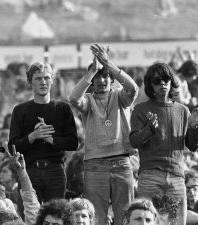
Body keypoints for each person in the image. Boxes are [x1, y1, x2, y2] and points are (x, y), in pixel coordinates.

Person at [129, 62, 198, 225]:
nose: (162, 84)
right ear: (150, 84)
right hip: (150, 174)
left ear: (172, 81)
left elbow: (192, 146)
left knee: (178, 222)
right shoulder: (140, 109)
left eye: (166, 79)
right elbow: (134, 141)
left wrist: (193, 127)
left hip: (177, 175)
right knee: (146, 221)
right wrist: (148, 129)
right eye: (157, 81)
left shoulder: (182, 110)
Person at [69, 44, 138, 225]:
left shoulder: (120, 97)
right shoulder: (89, 101)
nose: (101, 81)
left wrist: (109, 64)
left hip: (122, 163)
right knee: (97, 217)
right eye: (97, 78)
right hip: (95, 165)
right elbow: (73, 99)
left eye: (105, 77)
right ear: (92, 82)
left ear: (111, 79)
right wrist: (92, 71)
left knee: (125, 216)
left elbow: (133, 89)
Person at [8, 62, 78, 204]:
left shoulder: (62, 108)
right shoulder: (20, 110)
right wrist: (33, 136)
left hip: (56, 171)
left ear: (52, 80)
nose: (43, 82)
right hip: (29, 171)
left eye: (46, 78)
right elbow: (12, 147)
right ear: (30, 83)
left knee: (56, 216)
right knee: (30, 216)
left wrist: (50, 139)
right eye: (38, 78)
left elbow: (73, 143)